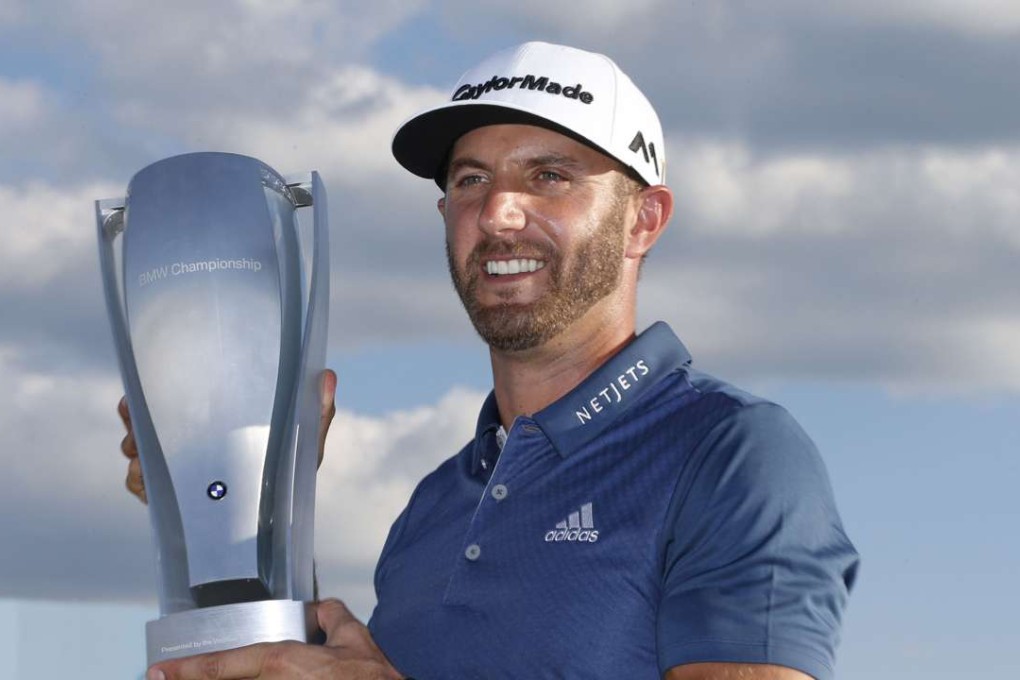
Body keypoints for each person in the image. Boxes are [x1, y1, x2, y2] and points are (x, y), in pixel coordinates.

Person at [124, 42, 859, 680]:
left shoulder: (734, 452)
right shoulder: (435, 504)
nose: (499, 212)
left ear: (645, 220)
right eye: (471, 180)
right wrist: (263, 502)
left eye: (548, 177)